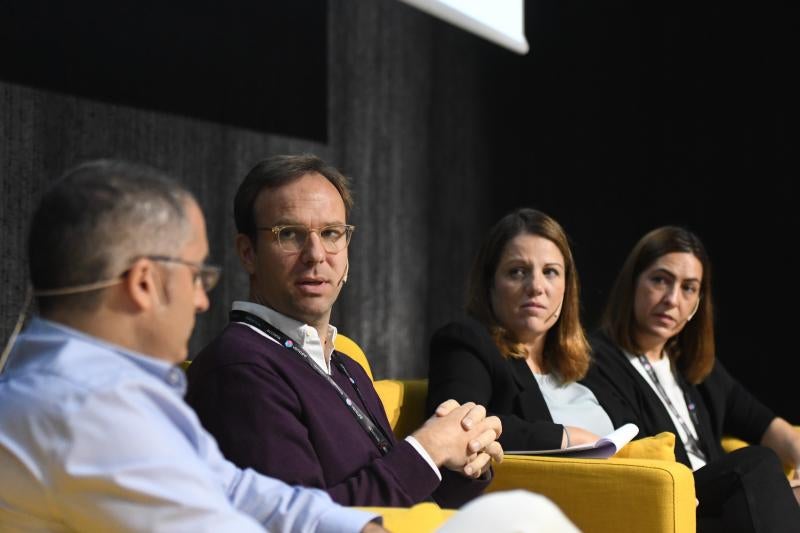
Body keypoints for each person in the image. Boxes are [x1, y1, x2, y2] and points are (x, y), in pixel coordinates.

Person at [0, 160, 383, 532]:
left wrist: (351, 526)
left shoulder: (88, 385)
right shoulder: (86, 408)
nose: (202, 301)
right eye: (196, 275)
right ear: (144, 283)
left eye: (332, 233)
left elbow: (231, 485)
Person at [186, 154, 503, 508]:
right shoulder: (239, 370)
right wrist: (425, 449)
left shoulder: (345, 365)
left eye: (331, 233)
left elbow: (398, 496)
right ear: (248, 253)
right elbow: (307, 522)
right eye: (289, 234)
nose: (316, 254)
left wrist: (462, 455)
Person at [584, 226, 800, 533]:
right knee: (757, 464)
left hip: (726, 508)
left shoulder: (695, 367)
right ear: (633, 282)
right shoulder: (596, 360)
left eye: (688, 288)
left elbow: (767, 424)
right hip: (676, 505)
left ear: (698, 302)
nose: (672, 299)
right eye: (660, 280)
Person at [427, 208, 632, 452]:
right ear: (489, 283)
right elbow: (456, 427)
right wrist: (564, 437)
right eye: (517, 271)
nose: (536, 286)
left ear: (567, 286)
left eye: (550, 272)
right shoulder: (467, 342)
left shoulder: (588, 362)